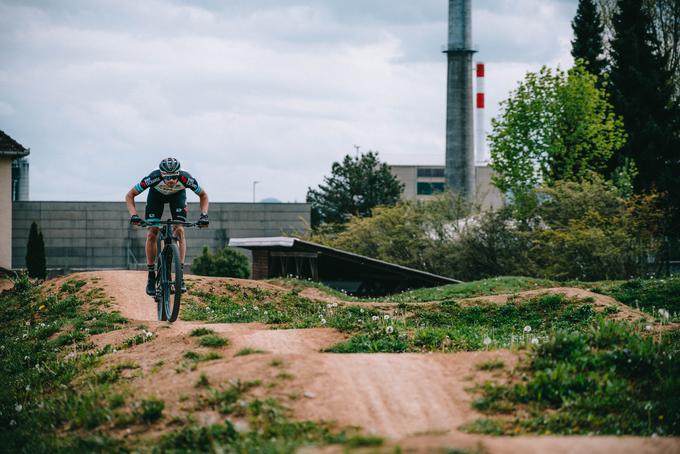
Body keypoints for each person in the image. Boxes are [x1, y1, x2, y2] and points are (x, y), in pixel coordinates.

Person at [125, 157, 209, 296]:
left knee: (180, 229)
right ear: (161, 174)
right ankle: (151, 275)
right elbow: (130, 195)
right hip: (156, 197)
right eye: (167, 177)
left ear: (178, 173)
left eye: (174, 177)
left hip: (177, 197)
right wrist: (134, 215)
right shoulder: (153, 178)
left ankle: (180, 275)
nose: (171, 180)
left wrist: (204, 215)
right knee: (152, 232)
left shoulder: (185, 178)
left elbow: (203, 195)